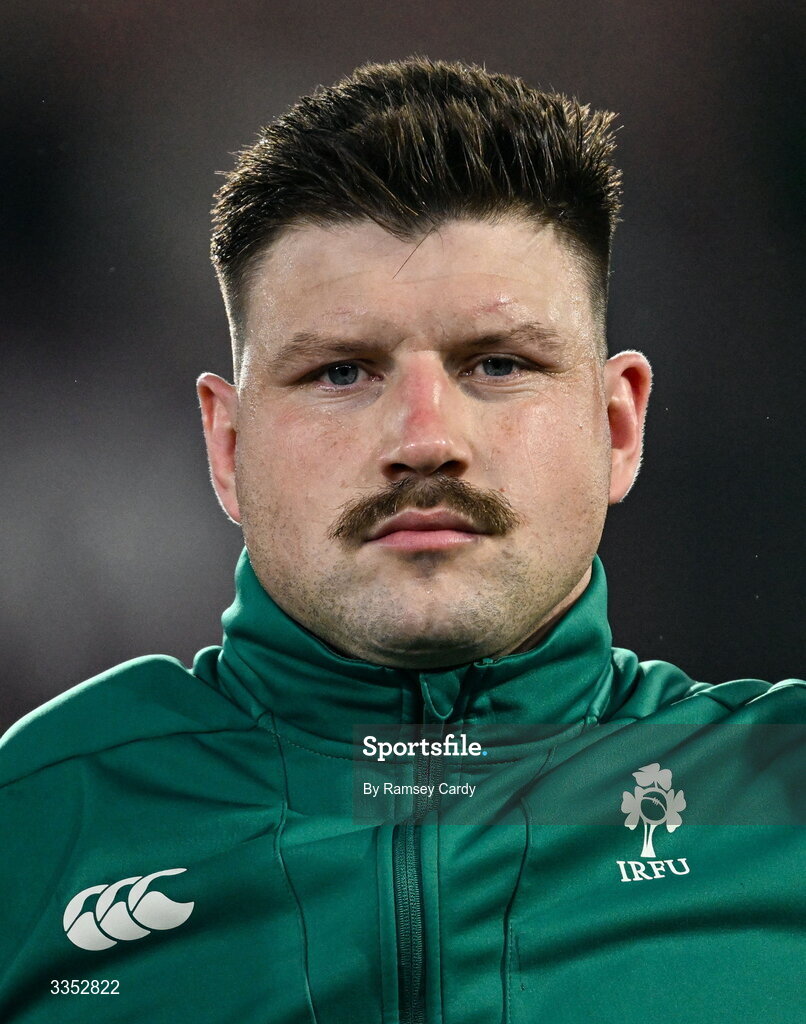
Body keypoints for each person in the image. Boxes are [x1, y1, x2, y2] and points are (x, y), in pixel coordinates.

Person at [0, 57, 802, 1024]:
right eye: (342, 372)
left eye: (498, 363)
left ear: (617, 424)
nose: (425, 439)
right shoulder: (37, 822)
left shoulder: (784, 799)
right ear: (229, 444)